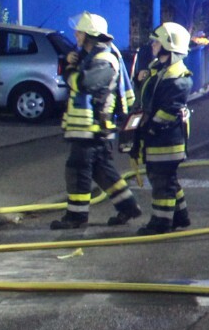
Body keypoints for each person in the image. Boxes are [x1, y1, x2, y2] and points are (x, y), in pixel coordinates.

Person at [50, 12, 143, 231]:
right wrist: (71, 61)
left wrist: (70, 70)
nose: (76, 35)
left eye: (79, 32)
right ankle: (128, 207)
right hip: (89, 129)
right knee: (102, 171)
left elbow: (84, 84)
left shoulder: (104, 60)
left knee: (78, 171)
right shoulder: (91, 57)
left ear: (90, 35)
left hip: (91, 129)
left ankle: (76, 216)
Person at [130, 22, 194, 235]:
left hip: (166, 140)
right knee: (168, 180)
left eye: (157, 42)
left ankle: (161, 222)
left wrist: (149, 128)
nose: (153, 45)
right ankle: (181, 217)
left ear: (169, 45)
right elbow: (148, 97)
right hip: (160, 138)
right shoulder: (159, 70)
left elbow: (168, 110)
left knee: (162, 183)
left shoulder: (178, 78)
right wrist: (140, 79)